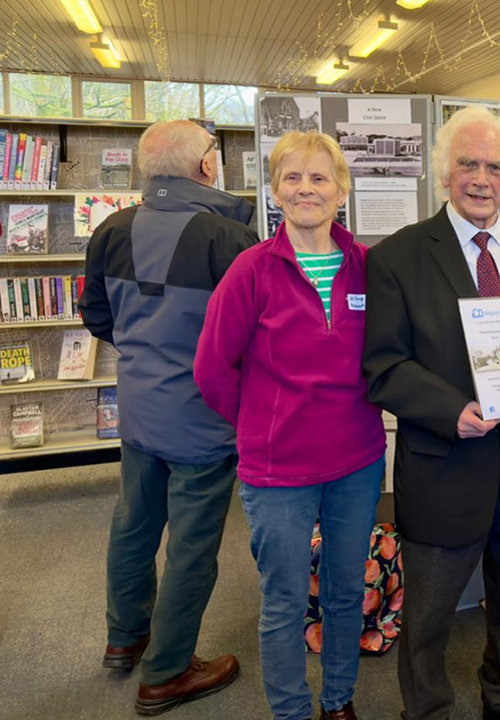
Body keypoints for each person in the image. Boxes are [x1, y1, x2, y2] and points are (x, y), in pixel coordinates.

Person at [362, 105, 500, 720]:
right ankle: (426, 713)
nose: (481, 178)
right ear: (444, 174)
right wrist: (454, 411)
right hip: (444, 463)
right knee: (427, 621)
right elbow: (385, 366)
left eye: (495, 167)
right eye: (468, 164)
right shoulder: (396, 257)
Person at [194, 132, 385, 720]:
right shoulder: (252, 270)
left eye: (320, 178)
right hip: (278, 471)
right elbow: (211, 369)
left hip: (356, 459)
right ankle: (291, 711)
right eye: (294, 178)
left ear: (341, 190)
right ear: (275, 190)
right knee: (282, 601)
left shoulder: (367, 267)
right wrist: (260, 422)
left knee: (347, 591)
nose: (307, 189)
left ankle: (337, 702)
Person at [79, 119, 258, 715]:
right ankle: (168, 671)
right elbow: (251, 337)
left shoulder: (109, 230)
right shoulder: (226, 238)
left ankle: (125, 637)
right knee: (191, 545)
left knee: (132, 525)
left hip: (139, 413)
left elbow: (96, 317)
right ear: (207, 167)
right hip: (204, 422)